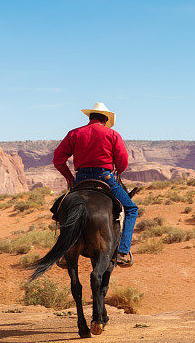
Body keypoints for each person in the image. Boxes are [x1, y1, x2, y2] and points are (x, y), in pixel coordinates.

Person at [52, 102, 138, 267]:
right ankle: (123, 251)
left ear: (90, 117)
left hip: (81, 179)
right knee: (131, 209)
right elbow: (123, 160)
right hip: (105, 177)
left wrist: (69, 177)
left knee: (60, 209)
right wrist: (117, 172)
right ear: (105, 119)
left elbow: (58, 159)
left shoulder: (74, 133)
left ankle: (64, 251)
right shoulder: (112, 134)